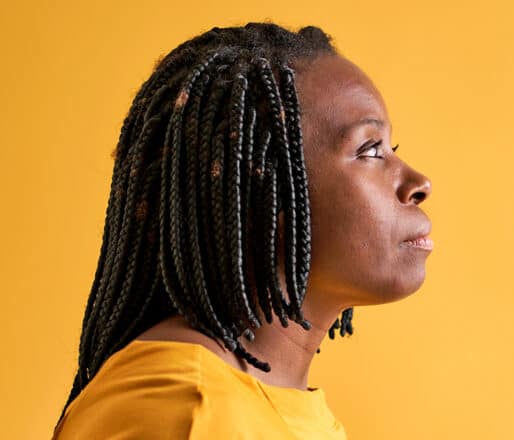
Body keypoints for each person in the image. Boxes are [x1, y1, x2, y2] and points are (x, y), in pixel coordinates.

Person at [52, 22, 433, 439]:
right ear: (260, 184)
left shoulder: (281, 409)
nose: (417, 183)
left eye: (391, 149)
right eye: (370, 150)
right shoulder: (185, 407)